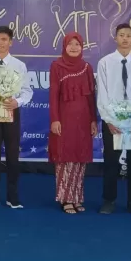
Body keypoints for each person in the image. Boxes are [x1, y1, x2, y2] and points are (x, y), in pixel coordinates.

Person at [97, 22, 131, 216]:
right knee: (111, 162)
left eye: (128, 35)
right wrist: (108, 120)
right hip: (113, 120)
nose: (125, 38)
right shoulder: (105, 62)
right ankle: (108, 200)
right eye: (121, 35)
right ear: (115, 38)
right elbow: (102, 93)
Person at [0, 26, 33, 209]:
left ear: (11, 42)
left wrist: (18, 102)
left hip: (12, 113)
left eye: (4, 39)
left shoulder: (19, 65)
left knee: (12, 155)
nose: (0, 43)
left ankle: (12, 196)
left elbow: (27, 91)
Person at [49, 32, 98, 214]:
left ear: (82, 47)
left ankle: (76, 197)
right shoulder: (57, 66)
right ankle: (65, 198)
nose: (74, 47)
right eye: (70, 44)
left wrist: (93, 120)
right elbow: (53, 94)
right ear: (64, 46)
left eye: (77, 44)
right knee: (65, 157)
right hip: (64, 119)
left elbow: (91, 96)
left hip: (84, 120)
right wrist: (55, 119)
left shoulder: (86, 67)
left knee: (80, 158)